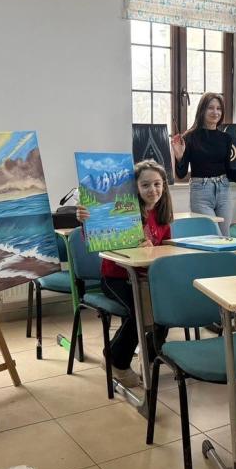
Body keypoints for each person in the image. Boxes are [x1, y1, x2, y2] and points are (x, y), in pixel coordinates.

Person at [77, 160, 173, 387]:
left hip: (146, 278)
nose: (152, 190)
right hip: (116, 277)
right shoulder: (123, 210)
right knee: (137, 311)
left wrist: (153, 249)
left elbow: (165, 249)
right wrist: (87, 220)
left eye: (157, 184)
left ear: (164, 185)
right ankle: (116, 361)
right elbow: (96, 235)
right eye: (145, 185)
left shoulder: (161, 215)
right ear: (135, 188)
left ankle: (150, 356)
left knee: (166, 308)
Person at [171, 93, 236, 234]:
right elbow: (181, 174)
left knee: (225, 236)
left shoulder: (226, 138)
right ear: (202, 110)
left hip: (223, 190)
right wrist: (179, 156)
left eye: (219, 108)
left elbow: (228, 171)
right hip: (200, 192)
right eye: (210, 108)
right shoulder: (189, 137)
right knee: (212, 236)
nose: (215, 112)